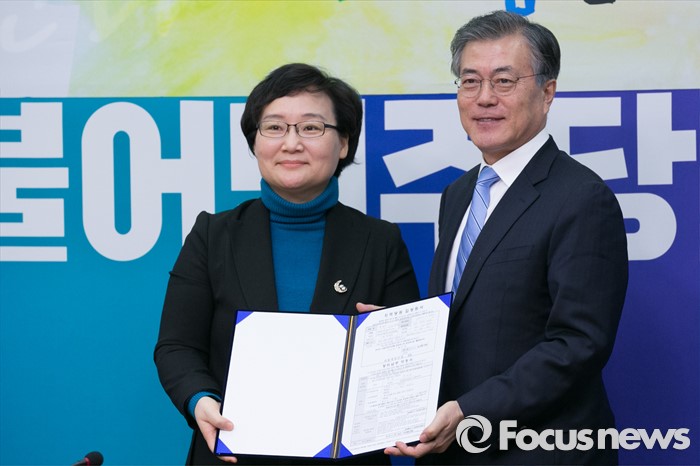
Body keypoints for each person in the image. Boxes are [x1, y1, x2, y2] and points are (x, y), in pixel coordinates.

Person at [379, 10, 628, 465]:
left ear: (547, 92)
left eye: (504, 81)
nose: (484, 98)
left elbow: (578, 344)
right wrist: (400, 335)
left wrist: (469, 411)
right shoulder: (458, 194)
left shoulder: (581, 198)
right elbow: (469, 316)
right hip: (453, 450)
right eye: (470, 81)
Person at [154, 63, 420, 465]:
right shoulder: (213, 235)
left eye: (311, 128)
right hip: (234, 452)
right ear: (255, 141)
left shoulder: (381, 242)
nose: (291, 143)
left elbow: (407, 368)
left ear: (343, 143)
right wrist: (200, 400)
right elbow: (177, 346)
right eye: (274, 127)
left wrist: (391, 341)